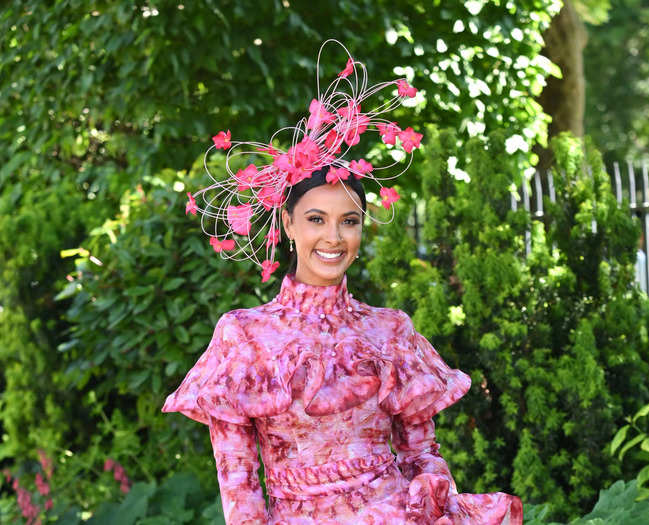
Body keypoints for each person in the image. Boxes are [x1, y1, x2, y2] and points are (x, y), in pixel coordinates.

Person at [162, 40, 523, 524]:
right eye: (316, 219)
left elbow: (423, 453)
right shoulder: (244, 336)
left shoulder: (390, 331)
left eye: (349, 221)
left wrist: (431, 495)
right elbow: (239, 482)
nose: (333, 238)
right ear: (288, 225)